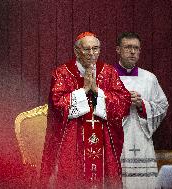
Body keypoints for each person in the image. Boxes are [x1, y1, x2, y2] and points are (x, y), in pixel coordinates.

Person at [40, 32, 131, 188]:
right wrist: (83, 91)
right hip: (72, 140)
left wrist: (97, 91)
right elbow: (57, 105)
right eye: (87, 49)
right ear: (77, 51)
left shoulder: (109, 72)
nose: (92, 54)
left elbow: (123, 102)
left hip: (102, 140)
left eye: (95, 49)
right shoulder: (62, 73)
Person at [114, 32, 169, 189]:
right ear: (118, 49)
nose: (132, 52)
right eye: (128, 47)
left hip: (141, 137)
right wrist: (123, 103)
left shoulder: (149, 78)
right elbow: (99, 108)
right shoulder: (107, 77)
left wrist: (142, 105)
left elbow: (162, 105)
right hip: (118, 139)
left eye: (136, 48)